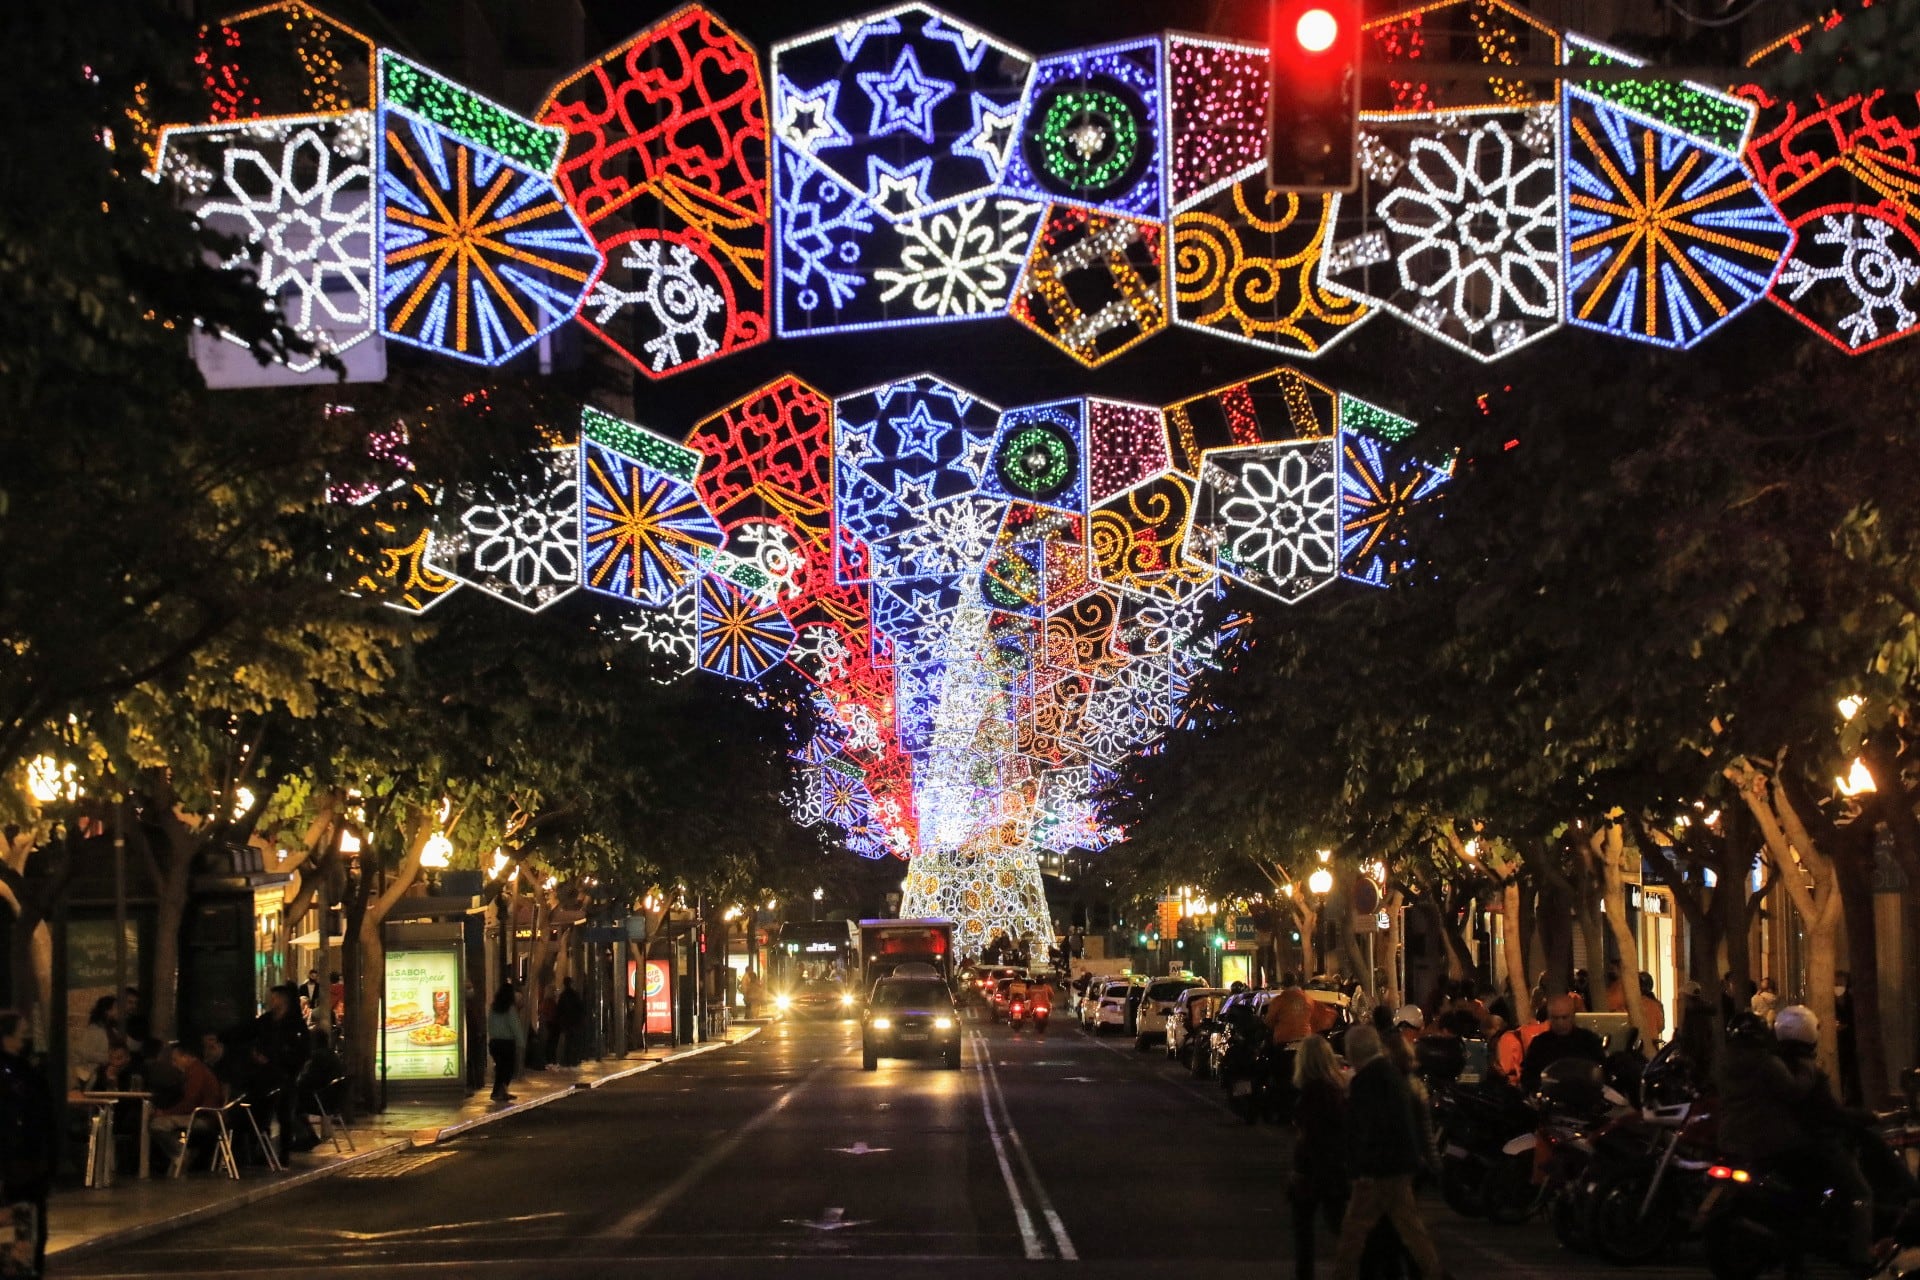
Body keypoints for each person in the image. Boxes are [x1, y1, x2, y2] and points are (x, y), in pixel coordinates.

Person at [1718, 1007, 1871, 1271]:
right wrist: (1810, 1073)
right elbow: (1795, 1092)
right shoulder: (1769, 1063)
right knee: (1844, 1189)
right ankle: (1859, 1256)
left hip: (1733, 1137)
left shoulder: (1723, 1064)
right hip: (1773, 1140)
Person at [1330, 1024, 1445, 1280]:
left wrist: (1359, 1166)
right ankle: (1434, 1272)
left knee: (1354, 1231)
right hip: (1399, 1164)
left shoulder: (1367, 1081)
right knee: (1410, 1228)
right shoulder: (1391, 1075)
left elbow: (1367, 1126)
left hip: (1378, 1168)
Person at [1291, 1036, 1349, 1279]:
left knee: (1306, 1233)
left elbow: (1311, 1139)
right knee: (1341, 1228)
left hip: (1319, 1172)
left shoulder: (1311, 1095)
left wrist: (1299, 1172)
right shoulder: (1337, 1090)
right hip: (1336, 1169)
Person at [0, 1012, 53, 1276]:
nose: (26, 1039)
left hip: (29, 1164)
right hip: (17, 1164)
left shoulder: (25, 1070)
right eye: (22, 1033)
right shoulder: (14, 1075)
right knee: (20, 1231)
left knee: (32, 1230)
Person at [250, 985, 315, 1162]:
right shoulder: (266, 1021)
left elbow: (303, 1052)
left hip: (286, 1077)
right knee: (262, 1114)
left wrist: (287, 1065)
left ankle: (284, 1154)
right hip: (265, 1076)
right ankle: (262, 1152)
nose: (272, 1001)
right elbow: (251, 1033)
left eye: (275, 997)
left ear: (283, 999)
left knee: (284, 1115)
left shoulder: (295, 1024)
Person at [148, 1041, 225, 1169]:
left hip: (204, 1117)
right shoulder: (196, 1071)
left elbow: (190, 1103)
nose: (174, 1064)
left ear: (187, 1057)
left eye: (175, 1059)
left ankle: (180, 1153)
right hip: (204, 1115)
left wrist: (166, 1113)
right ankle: (180, 1153)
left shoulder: (197, 1073)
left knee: (157, 1124)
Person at [1519, 994, 1605, 1092]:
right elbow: (1528, 1077)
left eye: (1564, 1017)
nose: (1560, 1023)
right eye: (1555, 1018)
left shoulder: (1589, 1040)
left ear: (1572, 1016)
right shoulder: (1539, 1044)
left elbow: (1602, 1070)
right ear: (1549, 1018)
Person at [71, 995, 119, 1090]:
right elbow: (84, 1053)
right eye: (115, 1008)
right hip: (97, 1077)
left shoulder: (111, 1031)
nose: (118, 1012)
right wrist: (108, 1057)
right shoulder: (94, 1031)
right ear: (107, 1011)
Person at [488, 984, 523, 1102]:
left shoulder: (493, 1008)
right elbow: (515, 1026)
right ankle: (499, 1092)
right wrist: (521, 1042)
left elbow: (490, 1024)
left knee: (500, 1068)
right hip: (507, 1043)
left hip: (495, 1043)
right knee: (507, 1069)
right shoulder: (510, 1009)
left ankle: (499, 1091)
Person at [1834, 970, 1861, 1107]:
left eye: (1841, 983)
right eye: (1836, 983)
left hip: (1850, 1042)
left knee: (1852, 1072)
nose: (1838, 987)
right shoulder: (1830, 1002)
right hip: (1839, 1043)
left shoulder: (1852, 1001)